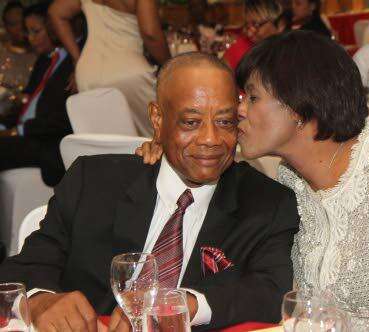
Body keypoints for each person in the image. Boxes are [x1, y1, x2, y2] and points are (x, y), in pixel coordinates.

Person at [138, 31, 369, 330]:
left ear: (298, 106)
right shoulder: (289, 184)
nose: (239, 110)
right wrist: (167, 152)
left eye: (253, 97)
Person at [0, 52, 299, 331]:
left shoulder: (266, 203)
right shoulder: (93, 182)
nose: (211, 139)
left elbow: (271, 291)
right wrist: (40, 300)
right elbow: (23, 267)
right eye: (191, 122)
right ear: (157, 120)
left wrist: (184, 304)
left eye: (224, 121)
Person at [49, 0, 170, 137]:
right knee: (159, 137)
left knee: (105, 148)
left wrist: (77, 60)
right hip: (129, 73)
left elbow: (56, 12)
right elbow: (150, 33)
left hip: (88, 73)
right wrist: (172, 66)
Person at [0, 2, 81, 186]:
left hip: (47, 143)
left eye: (36, 31)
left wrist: (17, 131)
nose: (30, 38)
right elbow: (26, 103)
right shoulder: (46, 61)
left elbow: (63, 119)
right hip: (28, 133)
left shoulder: (76, 62)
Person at [223, 0, 288, 70]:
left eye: (256, 25)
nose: (249, 34)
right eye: (247, 26)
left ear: (280, 25)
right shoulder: (240, 48)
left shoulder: (291, 52)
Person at [0, 1, 36, 113]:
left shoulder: (41, 55)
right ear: (5, 26)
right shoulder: (2, 51)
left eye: (21, 22)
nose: (19, 28)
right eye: (13, 24)